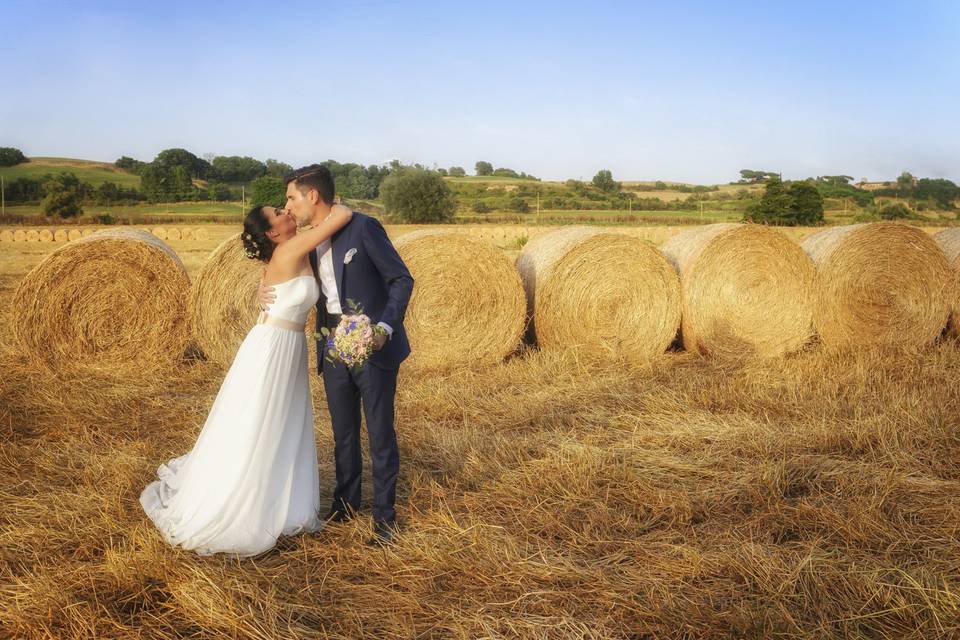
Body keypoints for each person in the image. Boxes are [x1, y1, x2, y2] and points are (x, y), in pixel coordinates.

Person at [140, 203, 353, 556]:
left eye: (286, 207)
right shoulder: (290, 248)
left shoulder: (287, 251)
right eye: (279, 213)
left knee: (282, 422)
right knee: (258, 421)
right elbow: (341, 216)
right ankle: (245, 501)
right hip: (272, 347)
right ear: (272, 233)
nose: (288, 211)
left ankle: (279, 501)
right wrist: (324, 199)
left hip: (285, 345)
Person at [259, 164, 413, 545]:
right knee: (343, 433)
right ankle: (345, 506)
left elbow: (401, 279)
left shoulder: (363, 228)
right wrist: (259, 292)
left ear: (312, 196)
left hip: (372, 346)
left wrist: (384, 328)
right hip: (331, 349)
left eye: (292, 197)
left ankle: (385, 518)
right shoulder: (308, 240)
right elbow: (279, 271)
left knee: (379, 433)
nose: (288, 205)